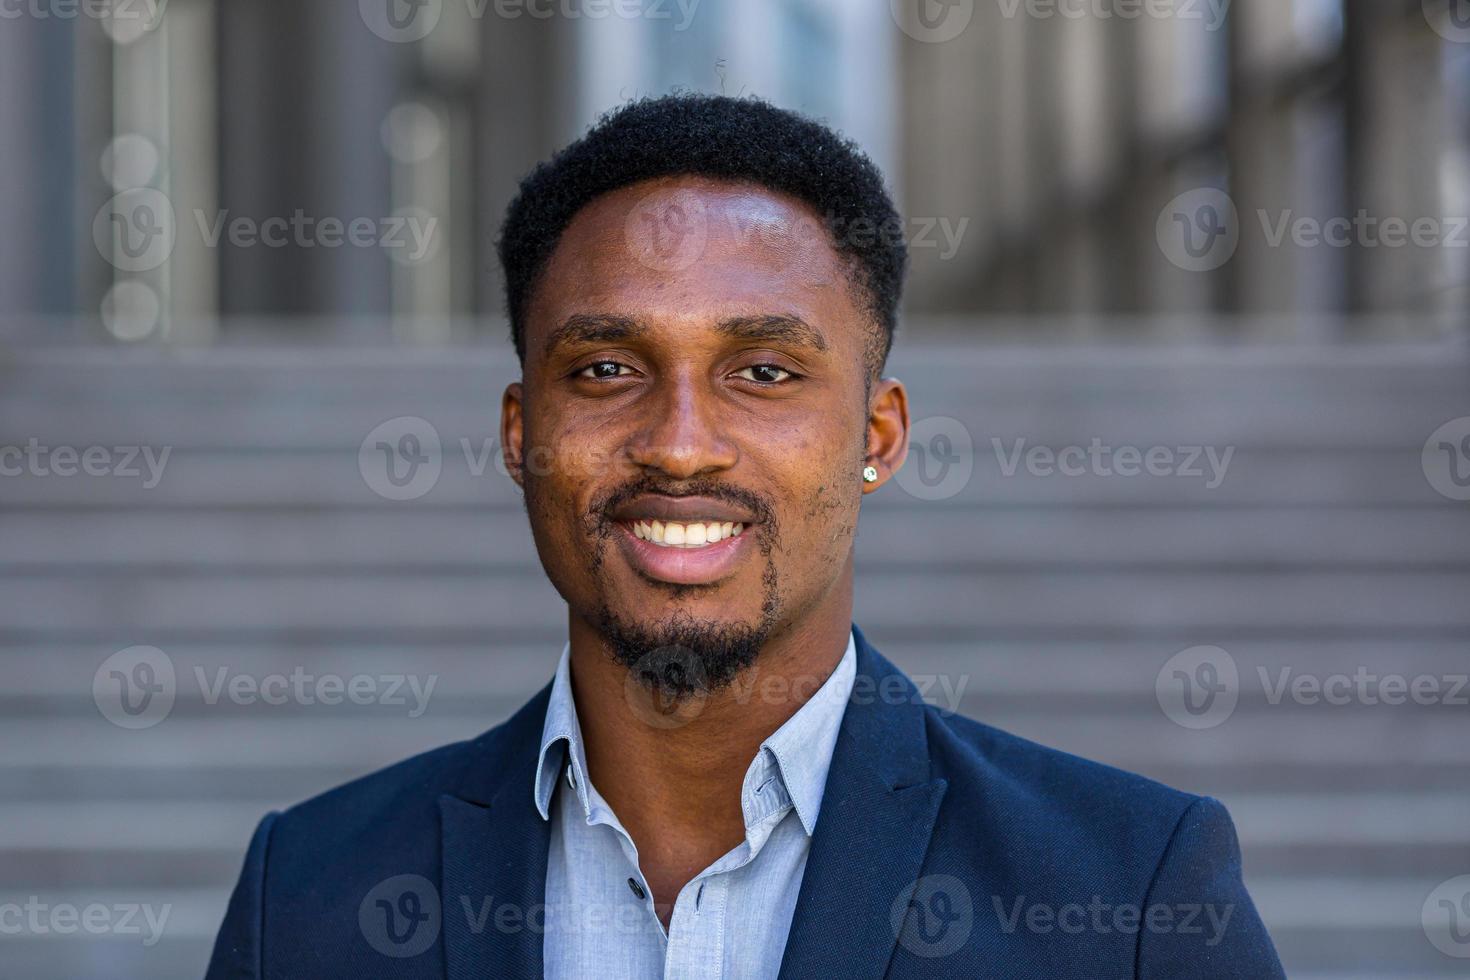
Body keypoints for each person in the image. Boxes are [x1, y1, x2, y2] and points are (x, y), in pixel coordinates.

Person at [206, 94, 1283, 979]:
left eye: (763, 373)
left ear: (878, 433)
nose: (680, 446)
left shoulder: (1131, 895)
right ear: (521, 432)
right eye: (606, 370)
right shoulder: (303, 895)